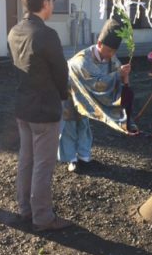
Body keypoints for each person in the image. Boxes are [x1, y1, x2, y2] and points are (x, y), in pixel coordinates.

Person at [7, 0, 72, 232]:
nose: (53, 5)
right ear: (45, 2)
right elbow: (60, 71)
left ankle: (25, 208)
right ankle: (43, 216)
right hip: (45, 110)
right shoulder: (46, 34)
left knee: (26, 160)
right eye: (53, 1)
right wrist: (63, 96)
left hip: (23, 105)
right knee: (43, 164)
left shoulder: (14, 31)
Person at [58, 18, 137, 173]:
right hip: (69, 92)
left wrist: (123, 75)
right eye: (108, 51)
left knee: (84, 123)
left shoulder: (111, 57)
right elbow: (97, 83)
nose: (110, 55)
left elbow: (116, 74)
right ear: (99, 44)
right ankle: (71, 158)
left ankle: (84, 155)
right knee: (70, 125)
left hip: (88, 97)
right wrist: (117, 74)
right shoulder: (81, 61)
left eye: (114, 52)